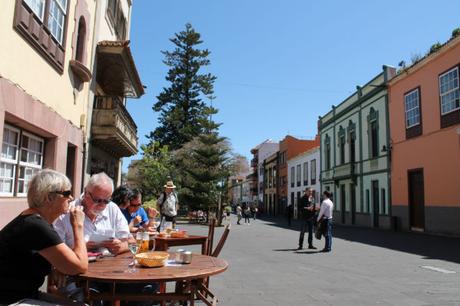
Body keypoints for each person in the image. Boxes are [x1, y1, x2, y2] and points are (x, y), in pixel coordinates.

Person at [0, 169, 88, 305]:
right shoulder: (35, 225)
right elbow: (79, 266)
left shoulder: (37, 221)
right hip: (11, 300)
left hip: (25, 295)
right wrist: (78, 226)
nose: (71, 198)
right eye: (67, 193)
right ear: (49, 197)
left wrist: (55, 267)